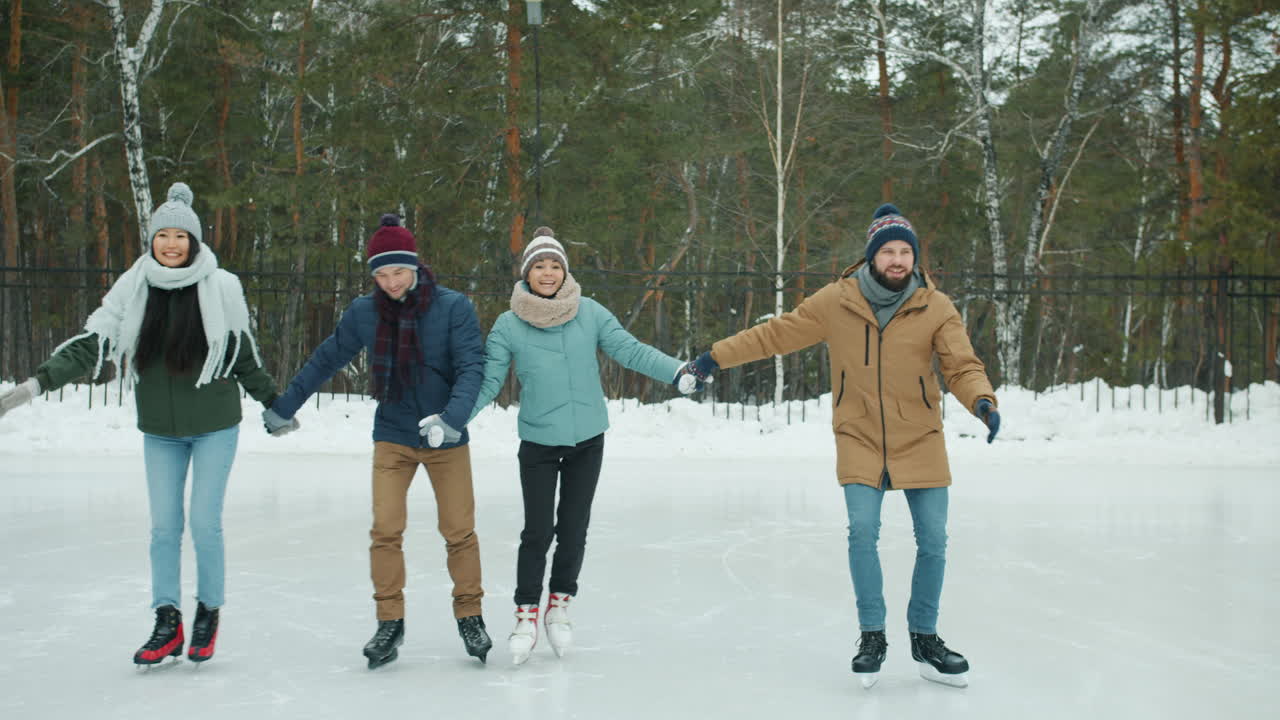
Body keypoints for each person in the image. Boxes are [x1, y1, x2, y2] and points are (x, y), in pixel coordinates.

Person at [676, 203, 1001, 689]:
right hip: (860, 434)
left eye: (905, 251)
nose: (897, 260)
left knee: (933, 540)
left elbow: (961, 365)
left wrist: (982, 400)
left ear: (915, 258)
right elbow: (776, 334)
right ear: (871, 256)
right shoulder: (838, 301)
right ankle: (872, 636)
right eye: (888, 251)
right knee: (862, 531)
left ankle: (924, 637)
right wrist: (713, 358)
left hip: (921, 437)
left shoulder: (937, 306)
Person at [0, 182, 288, 666]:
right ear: (151, 241)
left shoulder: (221, 286)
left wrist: (274, 404)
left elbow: (241, 355)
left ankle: (207, 613)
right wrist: (36, 384)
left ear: (194, 241)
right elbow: (94, 343)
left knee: (203, 523)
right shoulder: (134, 287)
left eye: (180, 236)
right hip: (159, 429)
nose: (171, 244)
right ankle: (166, 619)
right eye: (163, 236)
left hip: (215, 425)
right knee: (162, 529)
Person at [454, 226, 702, 665]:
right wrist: (453, 419)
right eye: (538, 266)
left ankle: (559, 605)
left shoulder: (589, 312)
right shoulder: (509, 324)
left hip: (588, 439)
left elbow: (630, 350)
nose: (547, 273)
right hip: (538, 442)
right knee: (537, 531)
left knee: (573, 528)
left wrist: (676, 371)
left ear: (564, 270)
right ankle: (526, 613)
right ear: (526, 273)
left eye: (554, 265)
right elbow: (489, 381)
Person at [264, 214, 490, 669]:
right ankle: (390, 623)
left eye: (398, 271)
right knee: (385, 530)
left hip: (445, 439)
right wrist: (286, 405)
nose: (390, 282)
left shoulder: (452, 308)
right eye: (381, 274)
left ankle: (470, 614)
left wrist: (451, 419)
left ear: (415, 266)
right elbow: (326, 357)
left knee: (458, 531)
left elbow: (472, 369)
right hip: (393, 436)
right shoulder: (365, 314)